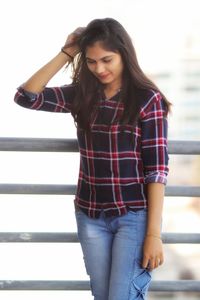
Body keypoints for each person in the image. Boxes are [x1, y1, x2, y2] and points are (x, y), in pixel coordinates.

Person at [14, 17, 171, 300]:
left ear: (124, 54)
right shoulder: (83, 95)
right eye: (91, 61)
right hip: (90, 215)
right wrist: (68, 52)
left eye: (107, 60)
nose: (99, 68)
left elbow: (157, 171)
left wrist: (153, 235)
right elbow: (27, 97)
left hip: (133, 217)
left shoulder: (148, 99)